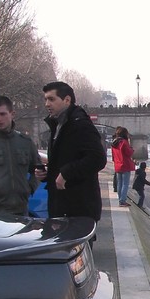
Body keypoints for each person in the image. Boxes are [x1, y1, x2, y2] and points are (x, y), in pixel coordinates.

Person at [37, 81, 106, 222]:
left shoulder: (80, 124)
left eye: (51, 99)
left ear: (67, 100)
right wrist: (47, 173)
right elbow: (65, 159)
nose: (47, 104)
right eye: (46, 99)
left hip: (78, 208)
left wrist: (65, 173)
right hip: (62, 206)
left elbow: (98, 158)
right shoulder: (58, 124)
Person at [110, 126, 136, 206]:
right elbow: (128, 153)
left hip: (117, 165)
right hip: (125, 165)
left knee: (119, 183)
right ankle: (122, 200)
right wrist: (131, 149)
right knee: (125, 184)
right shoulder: (124, 142)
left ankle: (120, 199)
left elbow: (113, 156)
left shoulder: (114, 143)